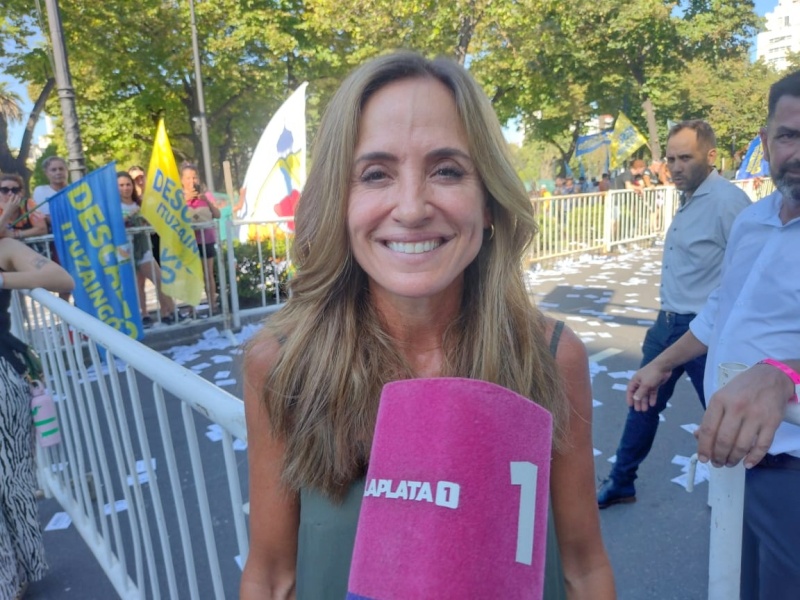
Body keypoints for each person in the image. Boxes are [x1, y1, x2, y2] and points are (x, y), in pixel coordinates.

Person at [240, 52, 614, 600]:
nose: (412, 208)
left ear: (488, 201)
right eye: (375, 174)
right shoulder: (280, 364)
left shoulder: (551, 357)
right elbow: (272, 577)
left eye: (446, 170)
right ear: (339, 201)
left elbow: (583, 569)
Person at [627, 70, 800, 599]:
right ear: (766, 141)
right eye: (788, 136)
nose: (797, 153)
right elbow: (724, 308)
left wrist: (783, 376)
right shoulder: (754, 220)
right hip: (737, 462)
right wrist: (662, 363)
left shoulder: (729, 207)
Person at [597, 120, 751, 508]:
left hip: (703, 332)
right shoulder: (688, 197)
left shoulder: (728, 203)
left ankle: (740, 504)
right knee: (642, 402)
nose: (676, 167)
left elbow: (747, 273)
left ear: (711, 156)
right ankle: (621, 481)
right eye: (670, 159)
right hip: (666, 324)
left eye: (686, 158)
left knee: (722, 417)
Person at [0, 212, 74, 599]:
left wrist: (2, 279)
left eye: (10, 191)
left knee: (13, 479)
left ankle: (17, 572)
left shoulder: (6, 248)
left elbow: (62, 280)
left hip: (2, 375)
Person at [117, 172, 178, 326]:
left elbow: (152, 223)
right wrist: (129, 217)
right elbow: (113, 226)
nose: (125, 188)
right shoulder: (114, 206)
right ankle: (142, 315)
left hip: (143, 246)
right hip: (124, 250)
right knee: (135, 285)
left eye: (128, 184)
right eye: (121, 185)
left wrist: (147, 221)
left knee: (159, 279)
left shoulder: (139, 203)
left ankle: (172, 312)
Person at [180, 162, 220, 313]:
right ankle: (192, 309)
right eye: (188, 178)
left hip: (206, 239)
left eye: (194, 177)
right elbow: (174, 216)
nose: (192, 181)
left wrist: (207, 200)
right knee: (191, 275)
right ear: (182, 180)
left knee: (208, 273)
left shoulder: (206, 195)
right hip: (188, 242)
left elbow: (217, 214)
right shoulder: (178, 197)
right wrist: (185, 200)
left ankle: (212, 305)